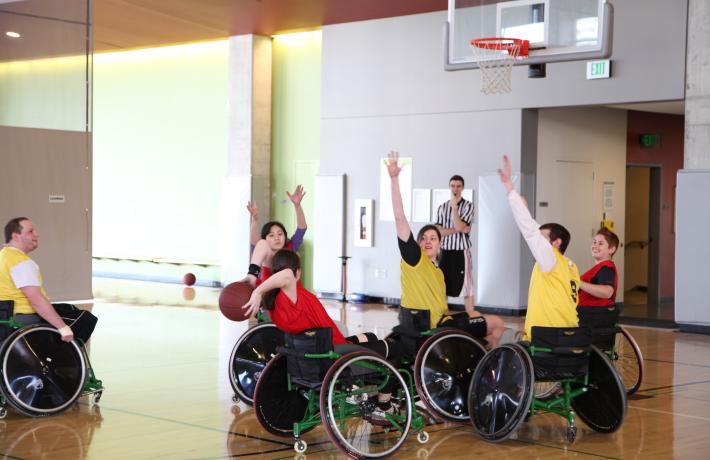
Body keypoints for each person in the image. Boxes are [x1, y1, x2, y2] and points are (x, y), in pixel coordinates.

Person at [242, 249, 402, 423]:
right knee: (394, 349)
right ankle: (383, 405)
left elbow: (283, 274)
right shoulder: (291, 296)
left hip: (321, 349)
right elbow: (287, 275)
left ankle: (371, 392)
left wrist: (260, 290)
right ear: (298, 273)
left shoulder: (274, 303)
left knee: (370, 336)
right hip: (334, 354)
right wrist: (257, 291)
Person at [386, 151, 505, 347]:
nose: (428, 241)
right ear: (416, 243)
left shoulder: (438, 272)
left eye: (433, 238)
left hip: (442, 322)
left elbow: (461, 227)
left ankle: (478, 357)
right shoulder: (415, 260)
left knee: (490, 322)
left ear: (440, 243)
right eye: (423, 238)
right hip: (430, 328)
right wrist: (394, 179)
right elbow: (400, 218)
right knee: (497, 323)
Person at [497, 155, 580, 341]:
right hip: (570, 333)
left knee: (503, 339)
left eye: (543, 238)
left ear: (556, 243)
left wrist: (510, 188)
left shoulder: (551, 259)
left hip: (547, 334)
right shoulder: (571, 267)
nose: (538, 244)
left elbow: (529, 228)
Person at [0, 217, 97, 343]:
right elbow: (36, 301)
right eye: (30, 231)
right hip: (23, 316)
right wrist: (62, 327)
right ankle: (66, 359)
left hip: (5, 313)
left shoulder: (4, 256)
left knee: (70, 309)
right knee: (86, 319)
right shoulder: (20, 262)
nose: (36, 234)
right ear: (16, 236)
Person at [246, 185, 307, 285]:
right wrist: (255, 220)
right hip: (269, 293)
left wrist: (297, 206)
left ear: (285, 236)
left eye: (280, 234)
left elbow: (302, 228)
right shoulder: (262, 251)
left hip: (289, 294)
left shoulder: (291, 247)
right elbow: (254, 241)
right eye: (271, 235)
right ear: (265, 239)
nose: (277, 238)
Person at [435, 174, 476, 316]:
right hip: (445, 251)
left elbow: (459, 225)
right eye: (452, 186)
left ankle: (471, 317)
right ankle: (443, 318)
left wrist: (454, 209)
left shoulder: (468, 206)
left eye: (458, 186)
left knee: (467, 287)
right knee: (442, 285)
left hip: (461, 252)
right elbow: (438, 232)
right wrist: (459, 229)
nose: (455, 189)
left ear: (463, 188)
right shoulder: (441, 207)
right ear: (449, 187)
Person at [578, 227, 620, 307]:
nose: (595, 246)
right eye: (594, 242)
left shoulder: (606, 268)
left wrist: (578, 283)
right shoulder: (599, 268)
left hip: (596, 316)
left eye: (600, 243)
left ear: (611, 249)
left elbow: (607, 292)